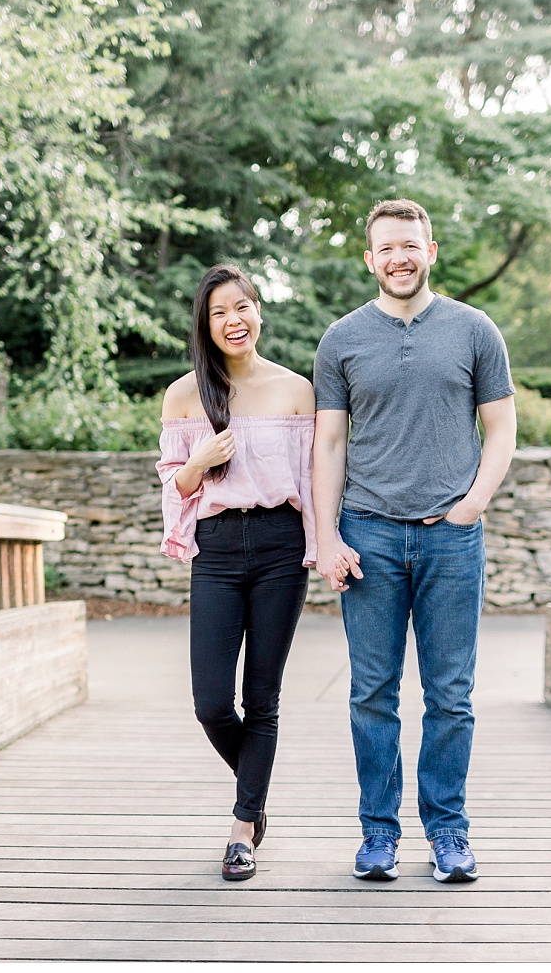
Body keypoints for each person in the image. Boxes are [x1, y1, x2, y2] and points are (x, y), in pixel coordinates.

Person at [312, 199, 517, 884]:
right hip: (367, 536)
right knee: (372, 692)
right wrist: (326, 533)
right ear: (370, 260)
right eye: (387, 248)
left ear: (432, 250)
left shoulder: (473, 330)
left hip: (449, 542)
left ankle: (449, 833)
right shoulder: (341, 340)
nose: (400, 257)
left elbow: (502, 428)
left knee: (451, 694)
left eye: (411, 245)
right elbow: (330, 443)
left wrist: (473, 504)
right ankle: (377, 834)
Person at [157, 263, 318, 881]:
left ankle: (243, 825)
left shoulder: (295, 390)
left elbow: (312, 479)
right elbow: (177, 488)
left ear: (260, 312)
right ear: (206, 322)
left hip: (279, 545)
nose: (234, 320)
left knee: (263, 698)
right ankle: (256, 785)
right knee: (211, 704)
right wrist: (196, 461)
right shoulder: (183, 395)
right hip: (218, 550)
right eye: (220, 311)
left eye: (243, 307)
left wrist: (319, 545)